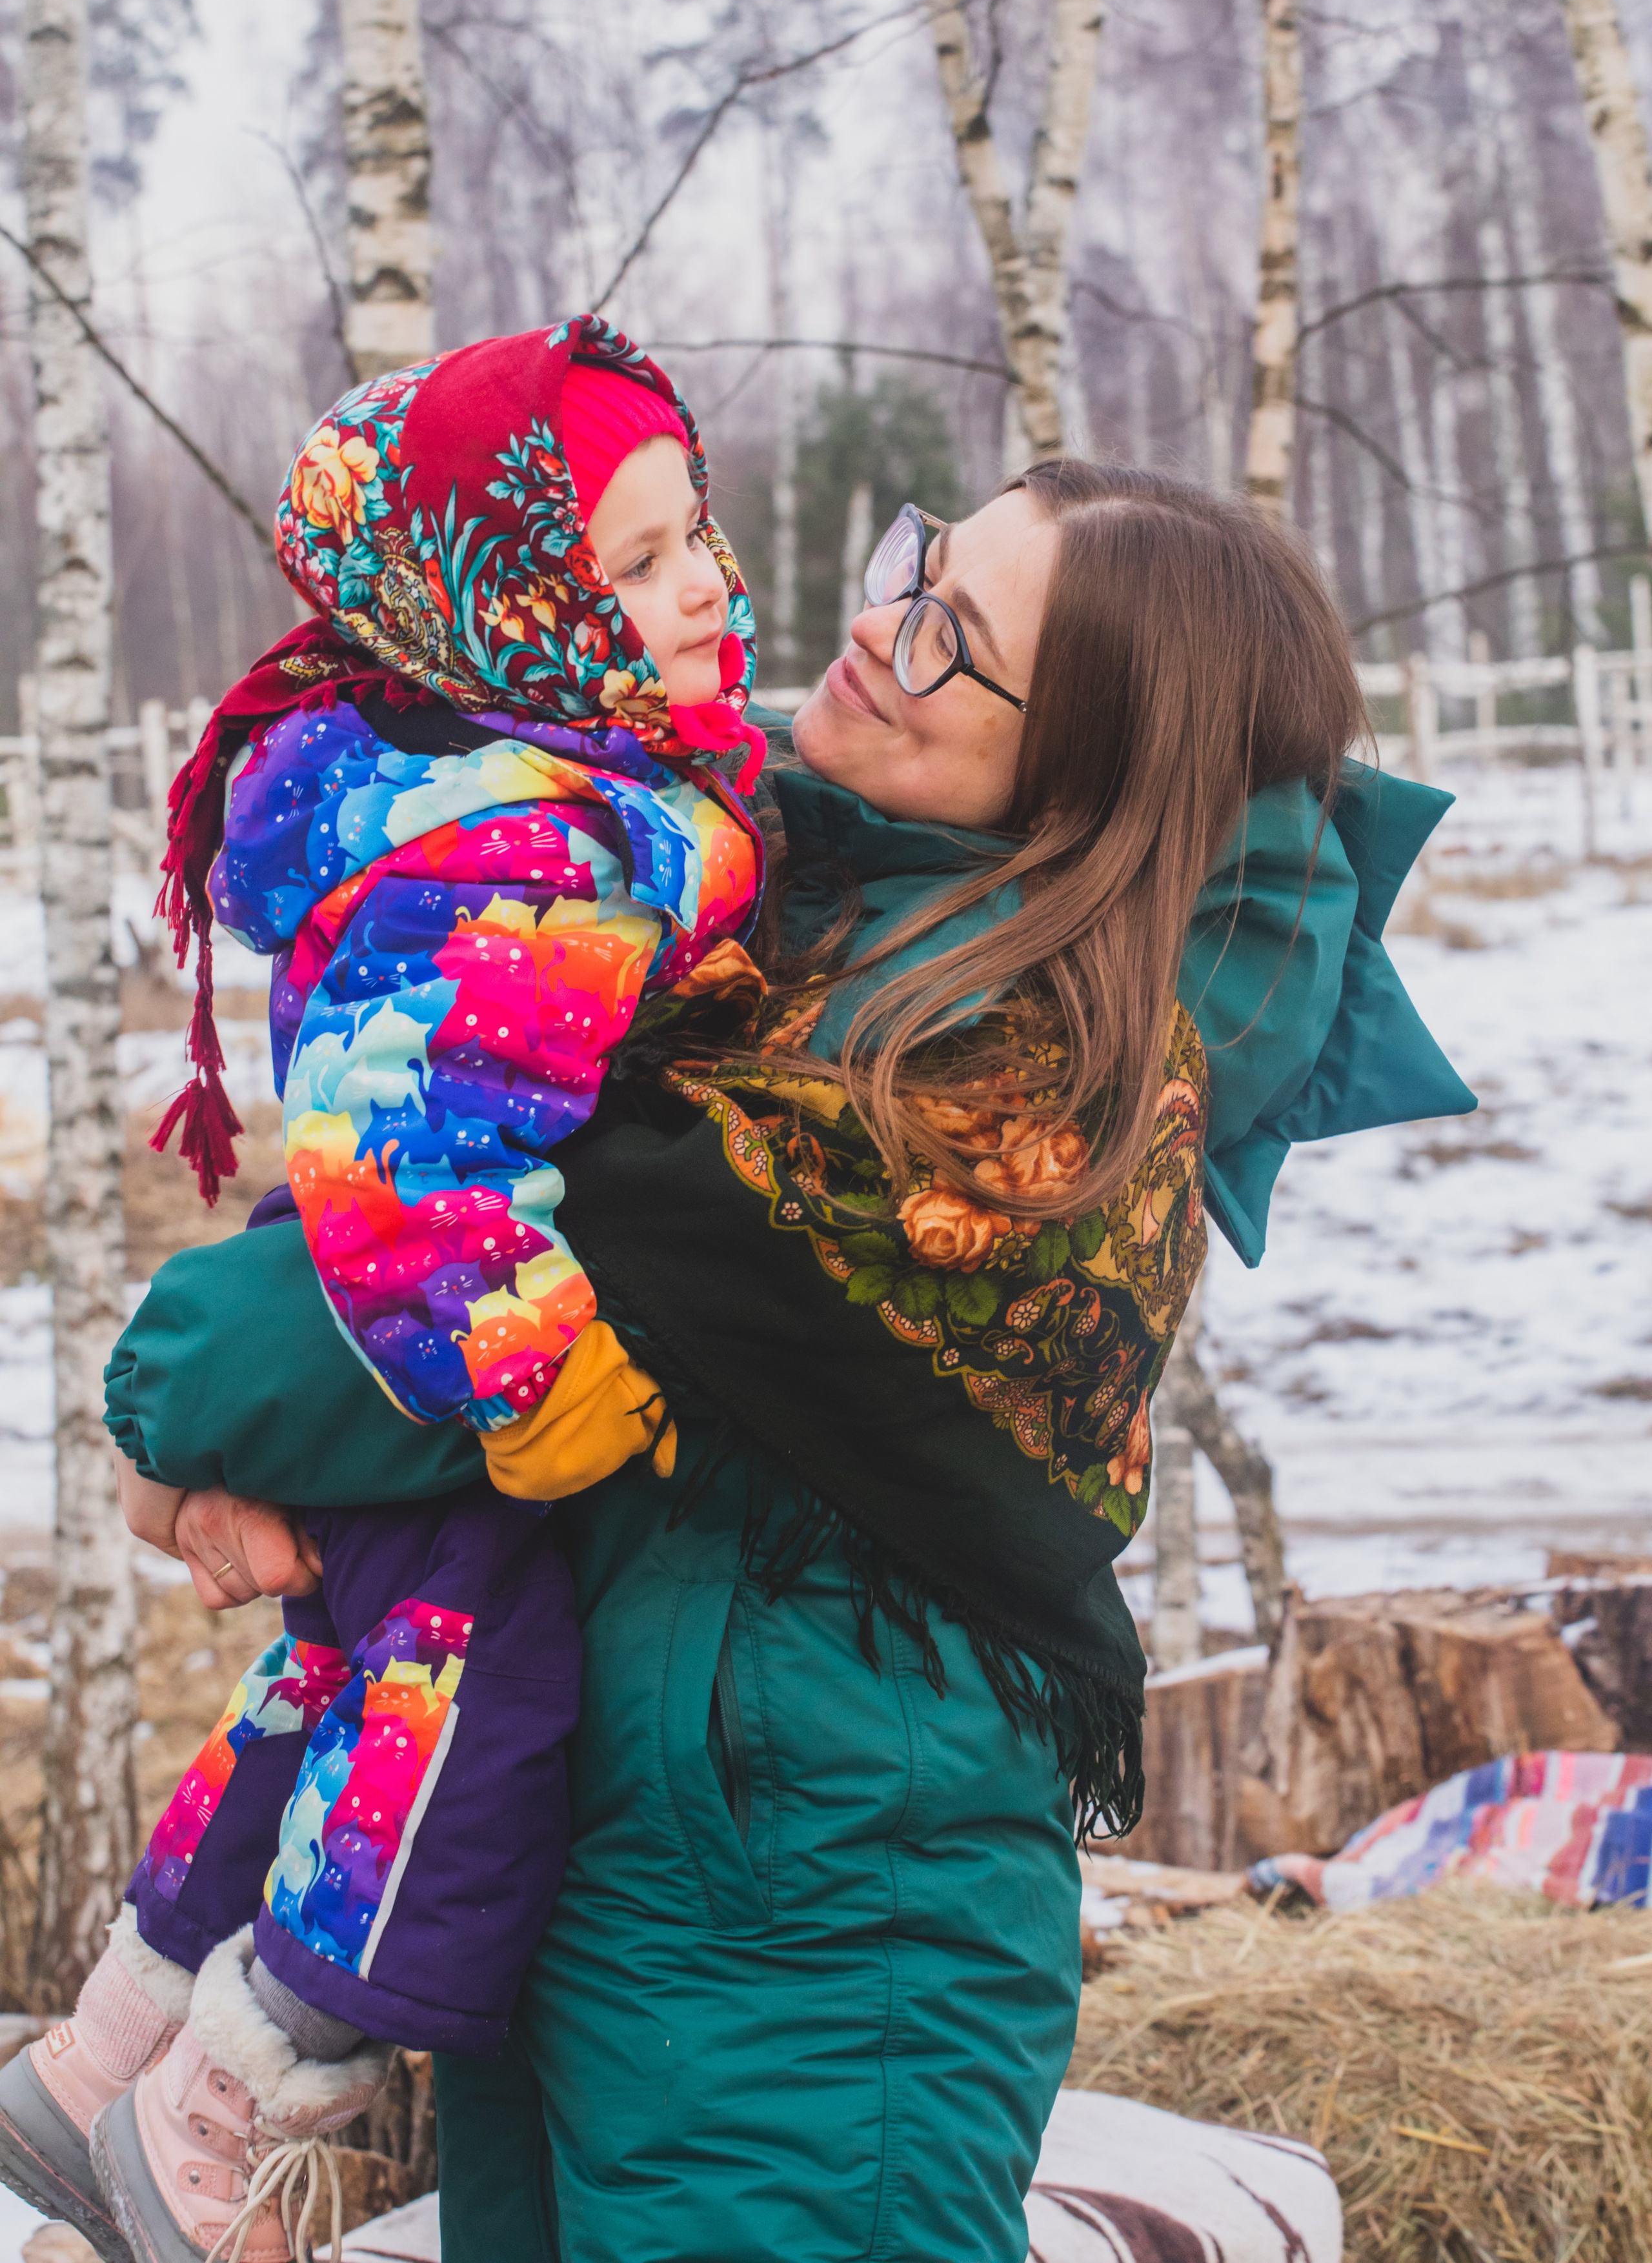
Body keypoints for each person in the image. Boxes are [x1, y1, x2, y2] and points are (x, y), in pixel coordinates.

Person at [114, 461, 1468, 2263]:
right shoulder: (789, 901)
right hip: (636, 1868)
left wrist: (168, 1416)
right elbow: (421, 1199)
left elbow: (400, 1306)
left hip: (817, 1943)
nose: (877, 626)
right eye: (920, 562)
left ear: (1089, 776)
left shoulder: (1007, 1089)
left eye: (954, 639)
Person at [0, 316, 769, 2263]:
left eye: (697, 529)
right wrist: (546, 1377)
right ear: (504, 614)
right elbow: (406, 1166)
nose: (708, 583)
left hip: (373, 1348)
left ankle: (101, 2055)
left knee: (335, 1685)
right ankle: (222, 2111)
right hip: (454, 1357)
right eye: (639, 562)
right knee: (463, 1724)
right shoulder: (521, 847)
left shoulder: (502, 780)